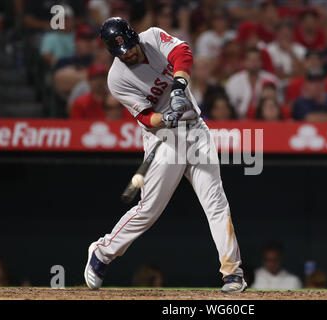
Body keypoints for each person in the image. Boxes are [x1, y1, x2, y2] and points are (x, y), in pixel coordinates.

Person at [84, 18, 247, 293]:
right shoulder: (117, 79)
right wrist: (164, 117)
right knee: (148, 210)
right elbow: (146, 117)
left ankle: (233, 273)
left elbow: (182, 52)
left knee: (216, 203)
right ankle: (102, 252)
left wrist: (180, 87)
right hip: (164, 138)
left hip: (195, 131)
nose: (130, 54)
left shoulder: (153, 37)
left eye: (131, 48)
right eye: (122, 53)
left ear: (134, 36)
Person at [225, 47, 279, 119]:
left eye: (256, 60)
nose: (254, 63)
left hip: (264, 121)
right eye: (250, 60)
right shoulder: (233, 81)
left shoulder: (271, 80)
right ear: (244, 62)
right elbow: (229, 107)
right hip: (237, 120)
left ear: (261, 62)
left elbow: (278, 104)